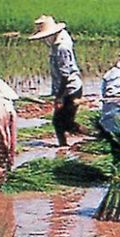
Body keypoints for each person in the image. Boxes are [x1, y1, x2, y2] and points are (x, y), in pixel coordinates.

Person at [29, 15, 83, 147]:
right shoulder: (58, 41)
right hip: (67, 88)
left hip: (70, 89)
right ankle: (64, 146)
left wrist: (59, 98)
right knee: (63, 123)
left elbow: (65, 75)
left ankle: (94, 135)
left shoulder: (61, 48)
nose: (43, 40)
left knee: (61, 123)